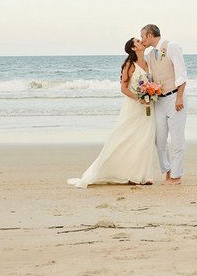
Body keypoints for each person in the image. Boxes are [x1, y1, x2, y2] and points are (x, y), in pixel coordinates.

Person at [66, 37, 160, 188]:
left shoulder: (148, 63)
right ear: (134, 48)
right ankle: (121, 172)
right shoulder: (130, 65)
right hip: (134, 106)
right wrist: (139, 98)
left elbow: (150, 82)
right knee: (126, 137)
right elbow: (124, 88)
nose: (141, 41)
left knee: (145, 138)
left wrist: (152, 92)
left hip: (148, 106)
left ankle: (144, 175)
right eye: (137, 41)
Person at [140, 24, 188, 183]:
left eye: (142, 37)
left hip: (175, 97)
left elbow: (181, 74)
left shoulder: (172, 47)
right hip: (159, 100)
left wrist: (179, 97)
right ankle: (167, 169)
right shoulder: (149, 55)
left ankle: (176, 175)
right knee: (159, 139)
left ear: (149, 35)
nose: (142, 40)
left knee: (177, 138)